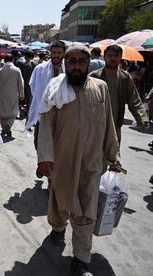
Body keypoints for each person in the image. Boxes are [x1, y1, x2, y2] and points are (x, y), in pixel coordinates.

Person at [37, 45, 121, 276]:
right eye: (71, 61)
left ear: (88, 63)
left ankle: (81, 260)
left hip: (92, 164)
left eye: (81, 61)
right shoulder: (55, 90)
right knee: (60, 202)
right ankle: (58, 226)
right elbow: (45, 126)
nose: (76, 66)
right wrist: (45, 157)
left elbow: (109, 125)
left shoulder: (100, 88)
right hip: (62, 162)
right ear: (64, 63)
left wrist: (113, 155)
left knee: (86, 211)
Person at [89, 45, 149, 144]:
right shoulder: (94, 76)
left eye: (116, 55)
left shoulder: (125, 77)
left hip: (115, 125)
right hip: (94, 125)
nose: (113, 58)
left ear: (120, 57)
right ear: (104, 57)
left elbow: (134, 99)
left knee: (113, 156)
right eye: (110, 55)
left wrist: (142, 117)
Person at [26, 40, 66, 149]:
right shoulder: (40, 69)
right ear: (50, 53)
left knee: (60, 145)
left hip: (63, 113)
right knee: (40, 143)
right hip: (43, 112)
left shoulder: (68, 70)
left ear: (64, 53)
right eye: (54, 53)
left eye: (59, 53)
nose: (56, 55)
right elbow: (34, 89)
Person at [0, 54, 25, 137]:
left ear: (4, 60)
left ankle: (4, 128)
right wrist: (22, 94)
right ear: (12, 60)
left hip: (2, 94)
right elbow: (20, 83)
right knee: (14, 112)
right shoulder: (17, 70)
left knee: (2, 112)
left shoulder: (0, 70)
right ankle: (8, 125)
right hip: (13, 94)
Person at [20, 50, 36, 120]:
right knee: (31, 101)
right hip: (34, 85)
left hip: (26, 85)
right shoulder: (36, 64)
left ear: (25, 57)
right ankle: (30, 114)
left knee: (24, 100)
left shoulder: (26, 65)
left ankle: (24, 114)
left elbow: (23, 77)